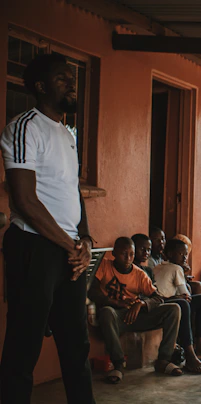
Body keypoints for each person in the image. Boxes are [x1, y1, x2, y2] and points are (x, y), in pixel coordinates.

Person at [0, 53, 95, 403]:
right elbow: (25, 201)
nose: (71, 83)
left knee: (76, 346)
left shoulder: (67, 135)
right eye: (61, 78)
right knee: (23, 347)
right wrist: (69, 246)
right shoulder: (24, 127)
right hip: (33, 248)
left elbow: (73, 190)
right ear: (40, 87)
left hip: (67, 251)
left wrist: (83, 238)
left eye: (71, 77)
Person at [88, 237, 183, 383]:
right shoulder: (104, 266)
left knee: (174, 309)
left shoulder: (139, 274)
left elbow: (158, 298)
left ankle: (163, 360)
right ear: (114, 253)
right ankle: (118, 364)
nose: (128, 258)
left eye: (131, 254)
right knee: (106, 312)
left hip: (137, 315)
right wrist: (115, 302)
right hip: (116, 317)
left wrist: (142, 304)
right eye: (123, 254)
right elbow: (92, 291)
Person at [153, 239, 201, 371]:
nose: (185, 257)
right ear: (169, 254)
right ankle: (190, 353)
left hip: (160, 302)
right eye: (181, 254)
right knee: (189, 303)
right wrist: (184, 275)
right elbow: (186, 295)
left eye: (186, 254)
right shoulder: (176, 268)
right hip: (165, 305)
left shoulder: (158, 266)